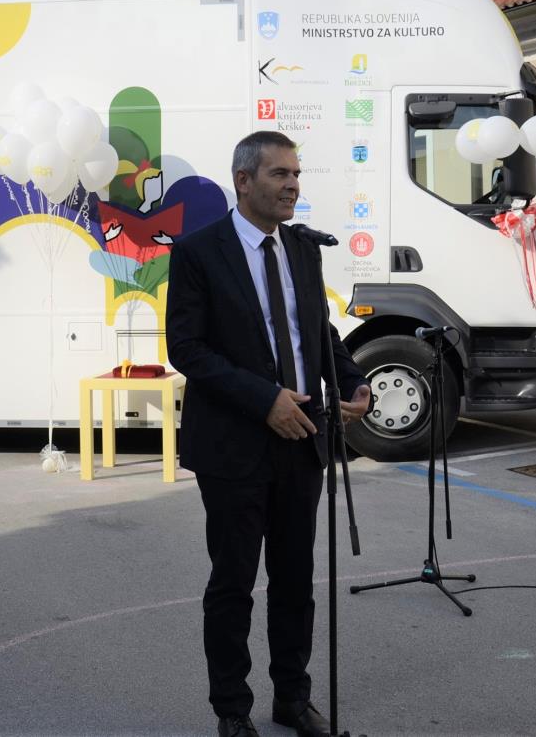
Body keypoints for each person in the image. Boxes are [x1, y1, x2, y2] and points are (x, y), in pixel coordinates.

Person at [166, 131, 372, 737]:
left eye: (296, 174)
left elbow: (317, 332)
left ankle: (292, 698)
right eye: (280, 174)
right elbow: (187, 348)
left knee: (295, 582)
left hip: (302, 441)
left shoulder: (302, 250)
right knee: (233, 584)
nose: (292, 186)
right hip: (234, 448)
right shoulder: (199, 252)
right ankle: (232, 710)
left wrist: (353, 379)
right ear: (244, 180)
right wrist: (265, 401)